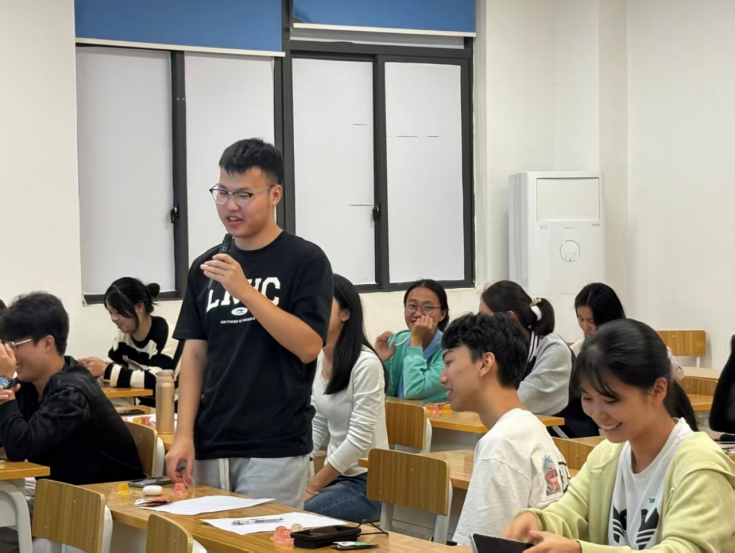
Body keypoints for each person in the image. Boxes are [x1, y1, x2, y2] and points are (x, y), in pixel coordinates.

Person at [165, 138, 332, 509]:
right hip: (211, 442)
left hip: (273, 445)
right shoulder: (206, 266)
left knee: (262, 539)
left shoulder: (305, 260)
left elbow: (308, 346)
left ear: (274, 195)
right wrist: (183, 435)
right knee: (205, 538)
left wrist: (244, 290)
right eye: (222, 193)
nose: (230, 205)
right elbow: (194, 356)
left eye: (243, 195)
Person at [504, 319, 735, 552]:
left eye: (611, 400)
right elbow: (570, 512)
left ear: (657, 390)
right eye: (588, 398)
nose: (597, 413)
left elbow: (683, 549)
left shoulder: (700, 465)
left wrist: (580, 550)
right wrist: (537, 522)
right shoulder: (606, 456)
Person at [440, 313, 569, 544]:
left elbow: (478, 547)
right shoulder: (530, 428)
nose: (442, 377)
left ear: (485, 363)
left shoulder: (501, 443)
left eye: (449, 363)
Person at [0, 292, 144, 484]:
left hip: (107, 496)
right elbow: (6, 438)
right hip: (65, 491)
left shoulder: (70, 392)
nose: (10, 355)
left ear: (47, 343)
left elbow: (19, 447)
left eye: (14, 346)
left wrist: (4, 381)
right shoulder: (30, 385)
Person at [304, 275, 389, 523]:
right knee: (279, 506)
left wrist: (312, 486)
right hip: (336, 478)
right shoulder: (319, 357)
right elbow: (318, 420)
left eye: (322, 301)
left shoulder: (366, 364)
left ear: (345, 314)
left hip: (368, 484)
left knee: (300, 516)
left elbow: (358, 440)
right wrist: (299, 471)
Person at [78, 278, 180, 407]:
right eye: (110, 313)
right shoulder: (124, 336)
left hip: (174, 410)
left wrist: (105, 370)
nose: (114, 318)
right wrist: (91, 370)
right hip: (146, 407)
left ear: (139, 307)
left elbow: (156, 380)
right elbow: (111, 365)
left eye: (118, 312)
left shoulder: (168, 335)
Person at [479, 281, 571, 416]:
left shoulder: (553, 349)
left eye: (485, 319)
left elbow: (522, 401)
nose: (480, 326)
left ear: (510, 318)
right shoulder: (498, 350)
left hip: (560, 429)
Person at [572, 282, 683, 382]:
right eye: (581, 319)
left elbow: (678, 375)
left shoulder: (637, 343)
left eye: (592, 321)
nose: (585, 327)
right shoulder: (578, 350)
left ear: (609, 317)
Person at [374, 279, 448, 402]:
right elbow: (381, 395)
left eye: (427, 307)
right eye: (412, 306)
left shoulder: (450, 349)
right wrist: (378, 364)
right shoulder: (397, 341)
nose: (418, 314)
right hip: (396, 413)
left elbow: (414, 391)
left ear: (442, 314)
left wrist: (416, 340)